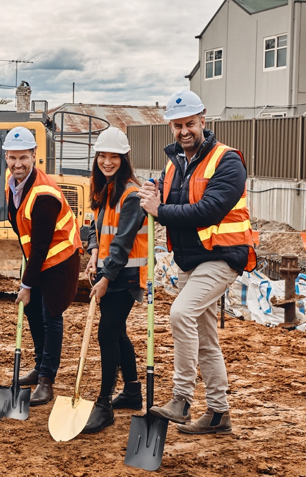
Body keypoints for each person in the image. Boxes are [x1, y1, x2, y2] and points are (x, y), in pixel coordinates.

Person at [139, 90, 256, 435]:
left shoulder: (227, 160)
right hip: (190, 261)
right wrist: (151, 192)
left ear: (203, 120)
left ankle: (181, 399)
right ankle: (219, 414)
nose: (184, 131)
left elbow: (208, 210)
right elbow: (165, 198)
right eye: (177, 126)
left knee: (180, 313)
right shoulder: (174, 164)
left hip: (222, 258)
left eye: (190, 123)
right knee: (205, 339)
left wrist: (159, 210)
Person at [4, 126, 81, 405]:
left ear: (34, 155)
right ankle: (39, 366)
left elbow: (41, 244)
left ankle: (47, 380)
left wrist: (26, 285)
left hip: (60, 258)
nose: (17, 164)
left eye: (23, 157)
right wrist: (29, 279)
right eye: (12, 158)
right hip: (37, 256)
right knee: (33, 312)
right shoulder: (11, 182)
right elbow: (22, 230)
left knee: (50, 315)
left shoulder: (44, 194)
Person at [82, 127, 147, 434]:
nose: (107, 162)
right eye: (102, 156)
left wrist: (105, 277)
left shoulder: (132, 195)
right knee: (117, 332)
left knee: (107, 335)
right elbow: (93, 227)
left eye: (113, 157)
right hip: (109, 271)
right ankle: (132, 391)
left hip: (127, 277)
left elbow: (122, 244)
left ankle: (104, 403)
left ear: (124, 158)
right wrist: (93, 252)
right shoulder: (104, 188)